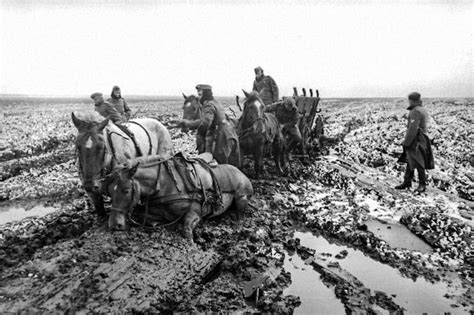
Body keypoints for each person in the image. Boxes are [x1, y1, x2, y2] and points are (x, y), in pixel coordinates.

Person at [179, 85, 238, 164]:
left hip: (221, 138)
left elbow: (206, 123)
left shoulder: (209, 105)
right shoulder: (215, 102)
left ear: (205, 95)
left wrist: (196, 130)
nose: (198, 97)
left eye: (200, 95)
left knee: (211, 163)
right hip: (228, 134)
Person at [395, 92, 434, 193]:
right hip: (422, 138)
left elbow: (412, 129)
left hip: (416, 140)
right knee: (410, 160)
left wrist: (406, 142)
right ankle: (407, 181)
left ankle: (422, 184)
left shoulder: (415, 111)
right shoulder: (422, 109)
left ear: (411, 100)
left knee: (418, 161)